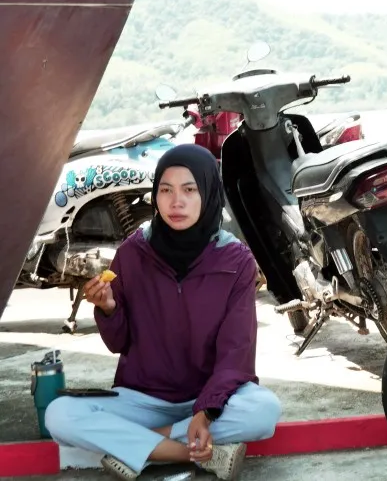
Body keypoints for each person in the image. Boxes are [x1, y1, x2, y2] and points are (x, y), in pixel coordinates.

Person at [45, 144, 281, 481]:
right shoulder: (132, 253)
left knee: (263, 410)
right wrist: (109, 308)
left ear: (209, 193)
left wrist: (207, 411)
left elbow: (236, 352)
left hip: (206, 394)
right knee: (60, 414)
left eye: (189, 190)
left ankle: (142, 448)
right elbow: (119, 343)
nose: (176, 202)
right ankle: (187, 453)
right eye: (165, 190)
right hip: (142, 398)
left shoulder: (235, 261)